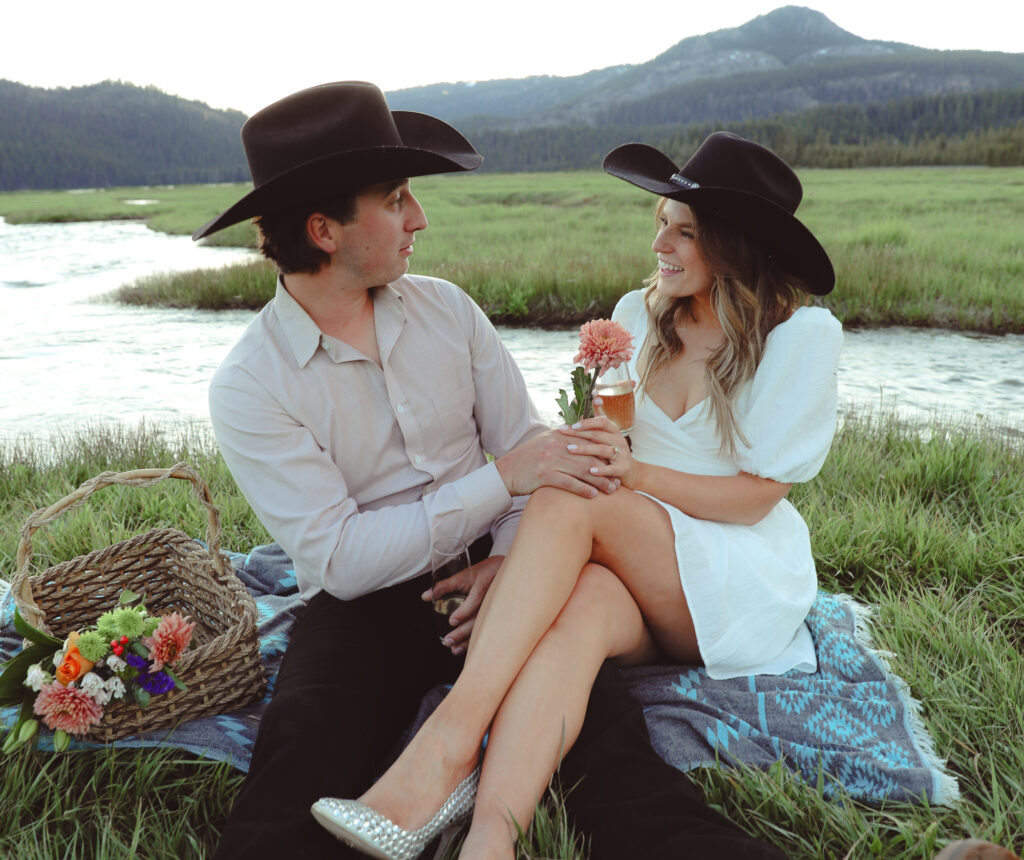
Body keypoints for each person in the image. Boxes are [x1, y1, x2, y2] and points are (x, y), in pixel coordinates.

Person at [197, 84, 785, 860]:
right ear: (324, 230)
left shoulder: (448, 311)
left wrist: (512, 558)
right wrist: (500, 483)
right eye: (398, 199)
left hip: (508, 572)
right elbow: (340, 560)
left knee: (608, 757)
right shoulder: (251, 383)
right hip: (363, 605)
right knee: (299, 752)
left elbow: (537, 459)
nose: (420, 219)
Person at [312, 131, 844, 859]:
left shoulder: (798, 338)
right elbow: (609, 446)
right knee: (581, 604)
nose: (661, 243)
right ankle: (490, 836)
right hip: (634, 559)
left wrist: (634, 478)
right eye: (660, 222)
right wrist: (530, 553)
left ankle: (448, 744)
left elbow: (755, 498)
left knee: (572, 493)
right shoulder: (637, 315)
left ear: (736, 243)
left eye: (685, 231)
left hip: (731, 573)